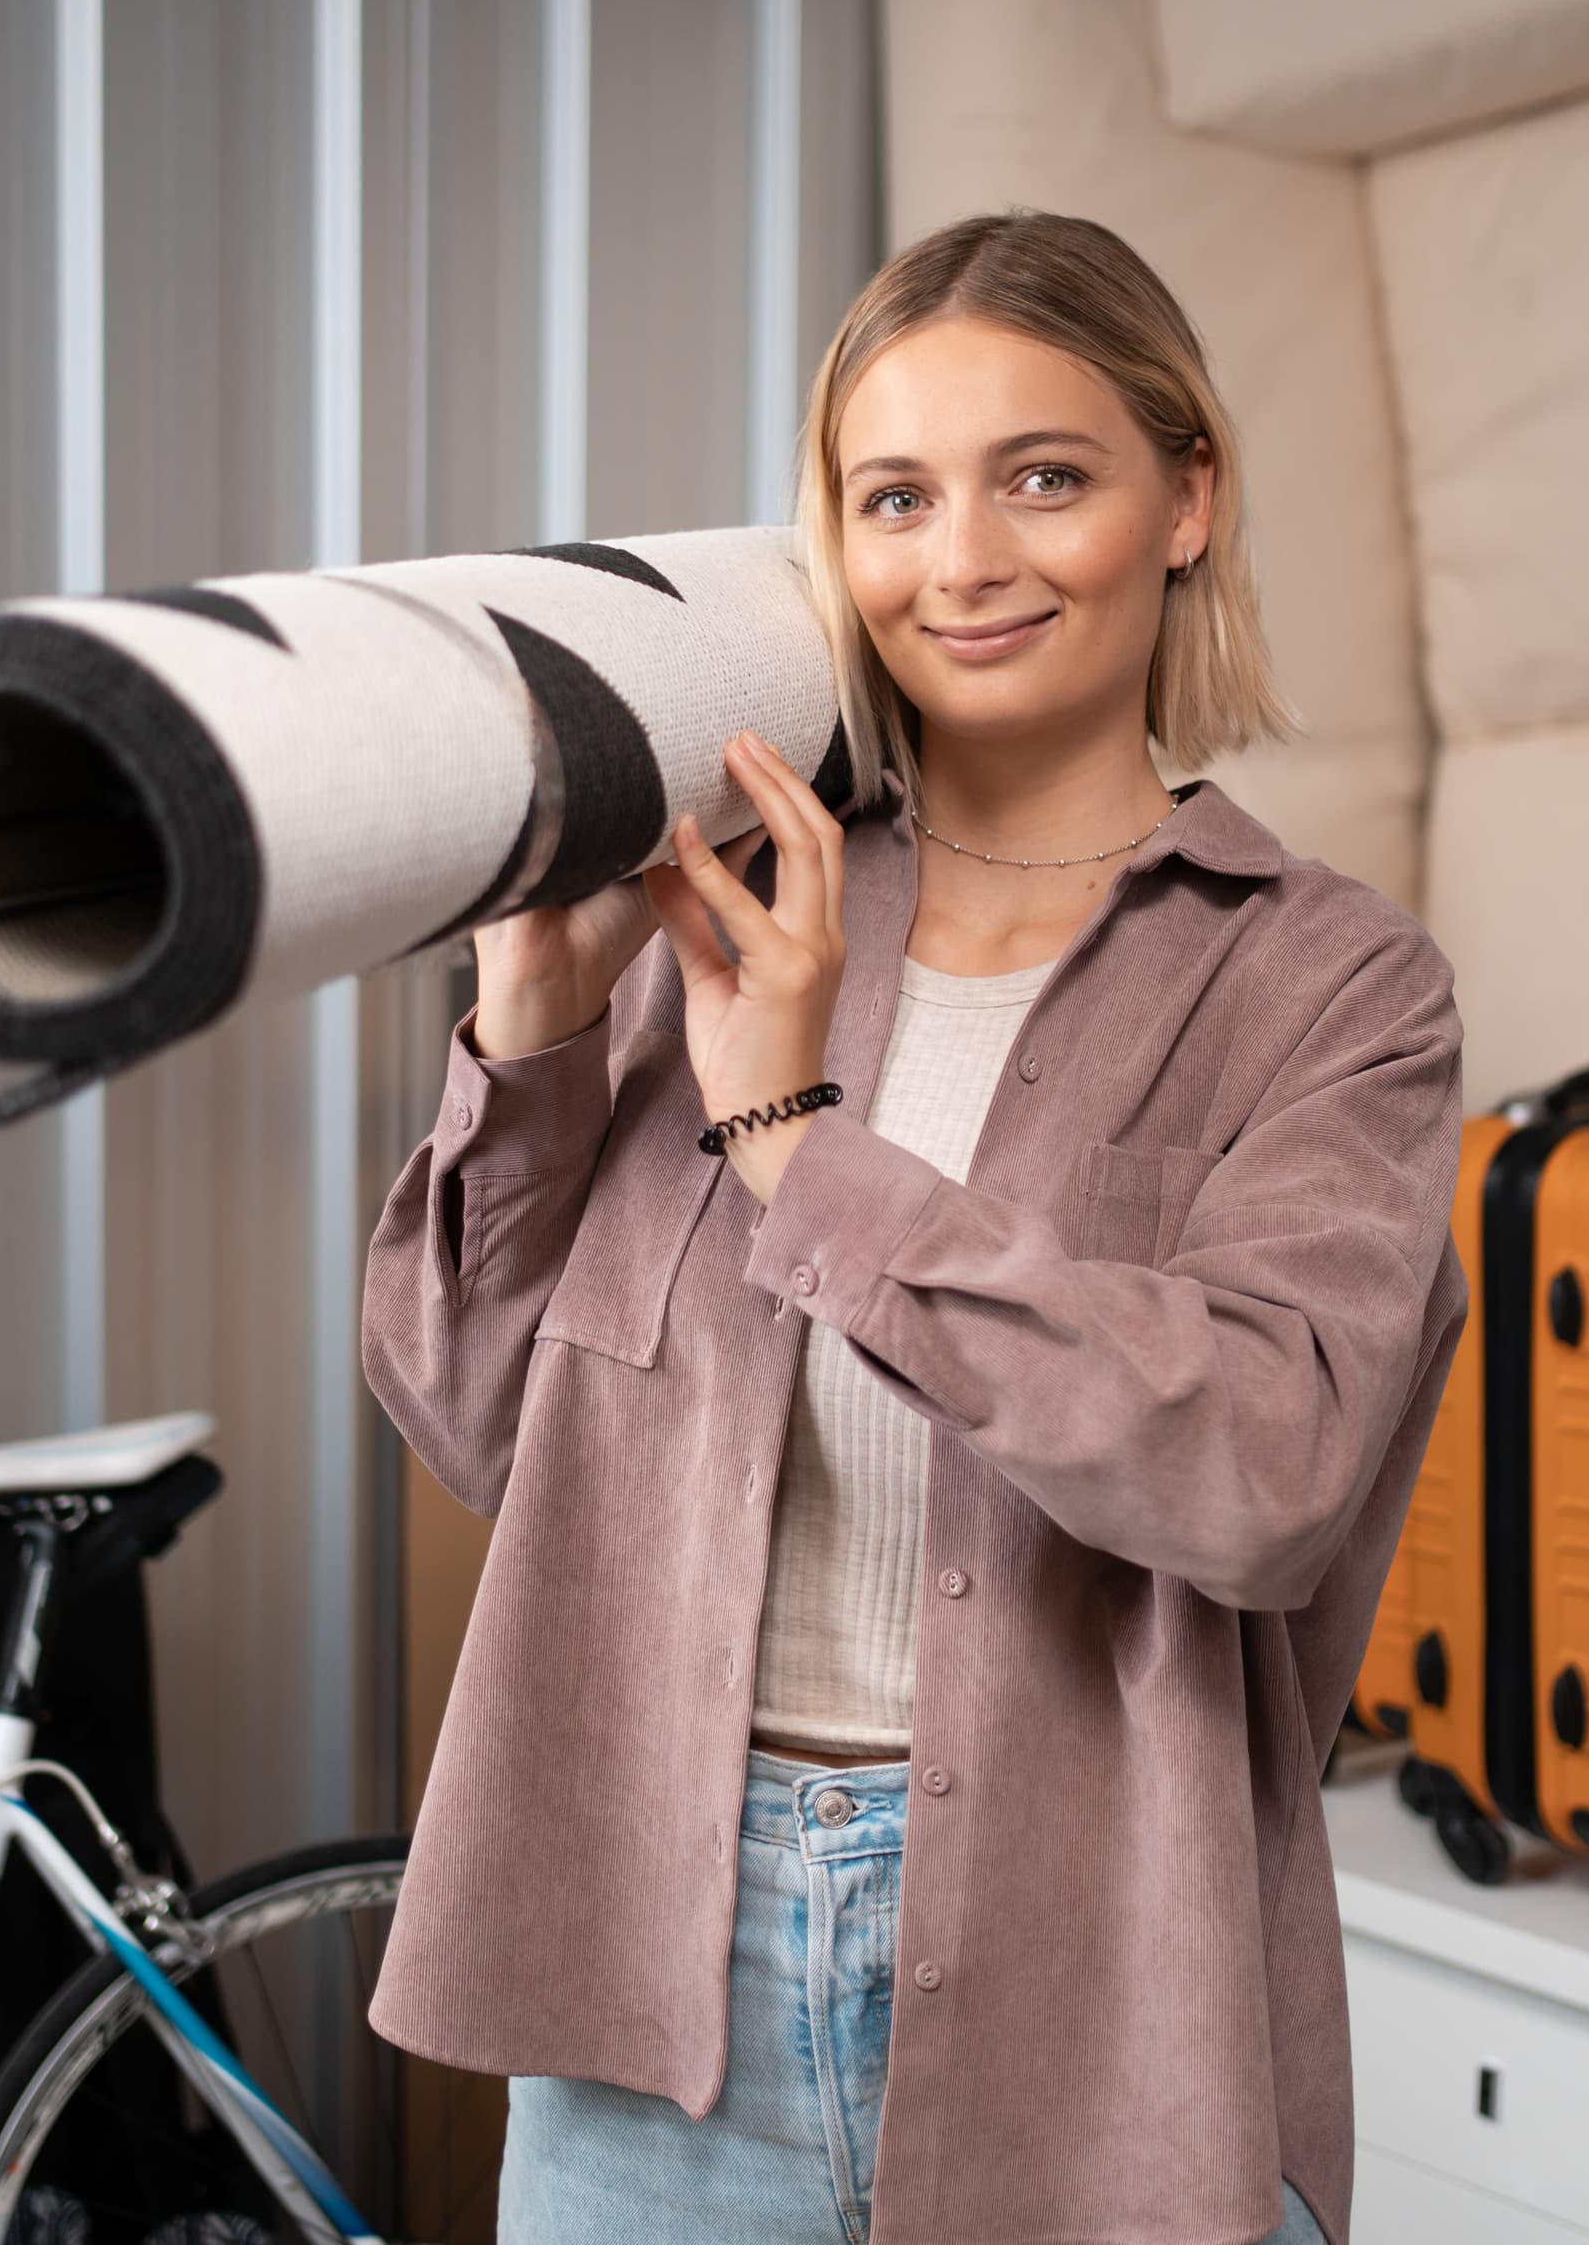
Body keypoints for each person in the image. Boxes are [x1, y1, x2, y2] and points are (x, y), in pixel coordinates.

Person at [361, 210, 1468, 2245]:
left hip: (1104, 1994)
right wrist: (525, 1032)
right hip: (652, 1991)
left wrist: (791, 1130)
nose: (963, 559)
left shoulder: (1330, 987)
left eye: (1045, 476)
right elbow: (471, 1425)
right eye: (896, 498)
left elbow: (1261, 1472)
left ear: (1187, 498)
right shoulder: (714, 913)